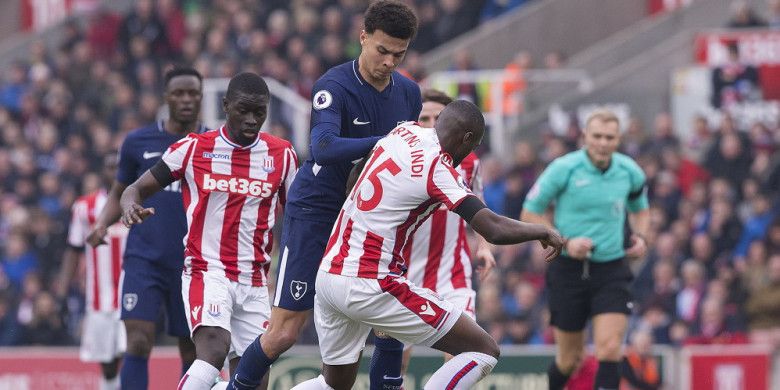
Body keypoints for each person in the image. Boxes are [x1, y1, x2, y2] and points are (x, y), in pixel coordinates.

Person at [291, 100, 563, 390]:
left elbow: (354, 179)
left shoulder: (403, 133)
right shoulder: (438, 167)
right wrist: (541, 231)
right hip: (370, 282)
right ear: (467, 139)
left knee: (332, 385)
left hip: (330, 275)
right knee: (484, 349)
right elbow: (492, 228)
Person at [229, 2, 421, 389]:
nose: (389, 62)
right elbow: (322, 146)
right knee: (285, 331)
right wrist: (387, 142)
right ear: (362, 36)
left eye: (398, 55)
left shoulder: (409, 93)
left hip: (370, 219)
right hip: (318, 211)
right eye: (382, 51)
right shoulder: (333, 86)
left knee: (386, 322)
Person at [119, 72, 297, 390]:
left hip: (255, 282)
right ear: (226, 106)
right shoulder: (194, 148)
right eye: (244, 110)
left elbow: (298, 214)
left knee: (253, 380)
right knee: (213, 350)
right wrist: (130, 203)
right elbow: (136, 187)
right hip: (207, 271)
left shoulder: (282, 156)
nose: (252, 119)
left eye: (260, 112)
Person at [86, 67, 206, 389]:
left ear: (201, 97)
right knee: (138, 341)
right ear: (166, 98)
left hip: (193, 264)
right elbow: (118, 191)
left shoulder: (212, 144)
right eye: (178, 93)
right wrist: (101, 225)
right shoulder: (138, 141)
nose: (185, 100)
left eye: (192, 93)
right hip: (144, 259)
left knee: (192, 349)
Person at [520, 109, 650, 390]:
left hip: (612, 268)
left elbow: (641, 210)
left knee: (610, 347)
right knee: (570, 358)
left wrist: (641, 236)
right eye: (597, 136)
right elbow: (530, 213)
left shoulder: (630, 172)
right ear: (584, 137)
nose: (603, 143)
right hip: (568, 270)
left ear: (618, 140)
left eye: (609, 137)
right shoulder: (563, 169)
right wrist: (565, 242)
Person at [399, 89, 495, 375]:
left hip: (451, 272)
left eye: (438, 118)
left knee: (462, 353)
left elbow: (479, 204)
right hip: (402, 273)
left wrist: (484, 246)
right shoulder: (401, 158)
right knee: (396, 362)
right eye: (424, 118)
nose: (431, 124)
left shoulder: (469, 162)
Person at [57, 153, 126, 390]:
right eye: (110, 167)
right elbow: (73, 249)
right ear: (101, 172)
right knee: (107, 362)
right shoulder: (84, 207)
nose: (116, 171)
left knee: (134, 349)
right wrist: (62, 291)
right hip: (99, 298)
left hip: (132, 292)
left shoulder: (138, 201)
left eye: (120, 166)